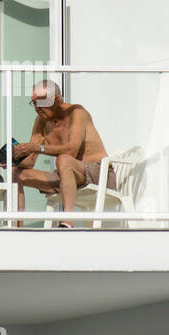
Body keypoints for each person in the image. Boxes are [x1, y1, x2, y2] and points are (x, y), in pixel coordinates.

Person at [10, 80, 115, 227]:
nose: (36, 108)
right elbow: (30, 161)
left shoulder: (77, 113)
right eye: (33, 103)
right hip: (66, 174)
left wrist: (36, 147)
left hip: (98, 173)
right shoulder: (41, 121)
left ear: (57, 100)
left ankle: (67, 221)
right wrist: (13, 159)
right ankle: (17, 225)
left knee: (64, 159)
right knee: (16, 173)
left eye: (40, 103)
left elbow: (72, 150)